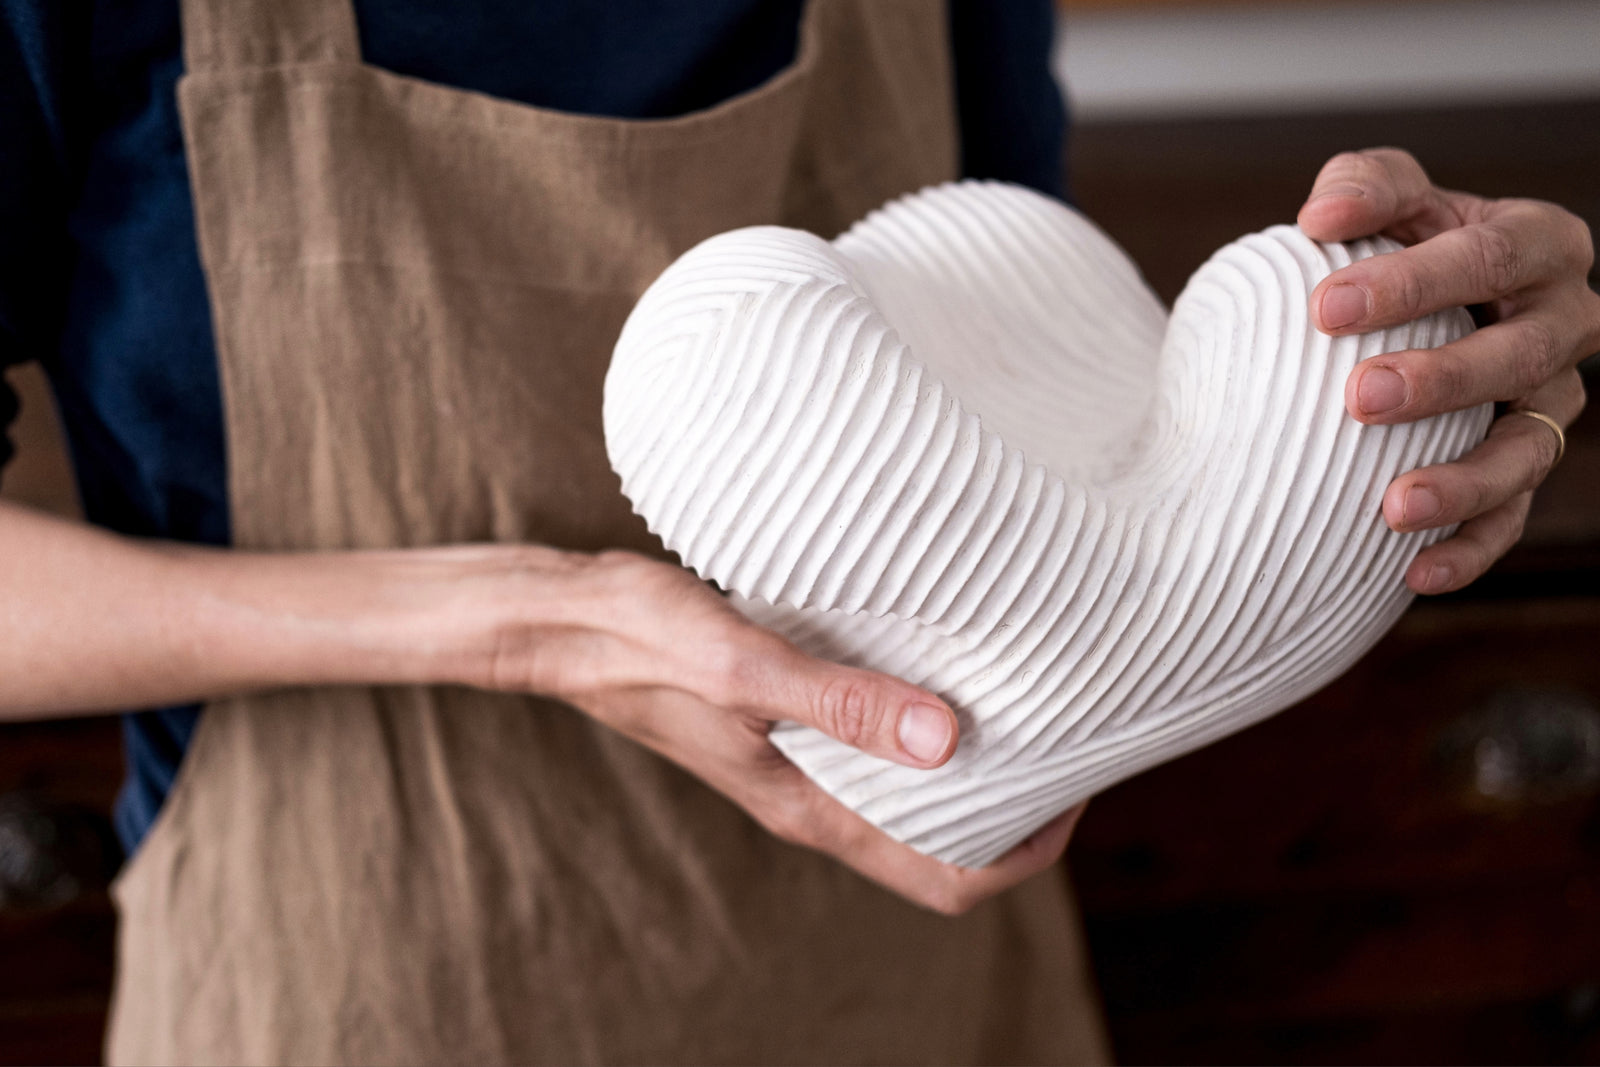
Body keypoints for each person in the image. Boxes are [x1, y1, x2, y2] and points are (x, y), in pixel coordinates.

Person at [1, 0, 1594, 1063]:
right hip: (366, 978)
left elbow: (1070, 380)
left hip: (916, 972)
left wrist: (1409, 377)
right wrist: (536, 620)